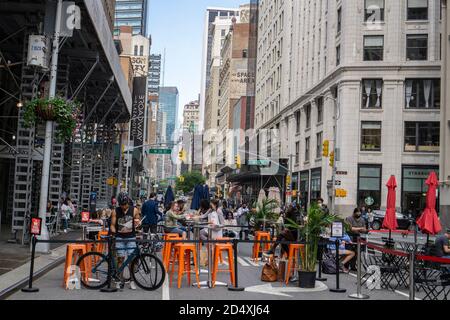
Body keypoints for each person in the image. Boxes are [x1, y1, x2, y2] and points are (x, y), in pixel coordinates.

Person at [110, 192, 141, 290]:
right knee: (120, 260)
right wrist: (114, 232)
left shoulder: (134, 210)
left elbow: (137, 221)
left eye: (125, 204)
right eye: (122, 205)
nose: (124, 206)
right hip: (119, 237)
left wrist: (137, 224)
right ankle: (120, 280)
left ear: (128, 202)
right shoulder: (115, 211)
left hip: (131, 237)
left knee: (132, 260)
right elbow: (112, 224)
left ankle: (132, 280)